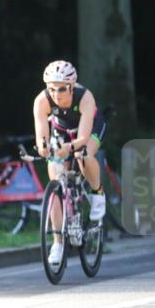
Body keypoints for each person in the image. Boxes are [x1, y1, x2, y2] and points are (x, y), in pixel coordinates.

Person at [32, 60, 106, 267]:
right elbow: (41, 134)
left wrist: (69, 148)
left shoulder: (85, 97)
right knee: (54, 180)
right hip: (61, 130)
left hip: (88, 129)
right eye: (52, 88)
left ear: (72, 86)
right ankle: (57, 243)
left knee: (83, 155)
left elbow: (82, 138)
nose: (56, 94)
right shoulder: (42, 101)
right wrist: (44, 147)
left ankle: (97, 193)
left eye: (62, 89)